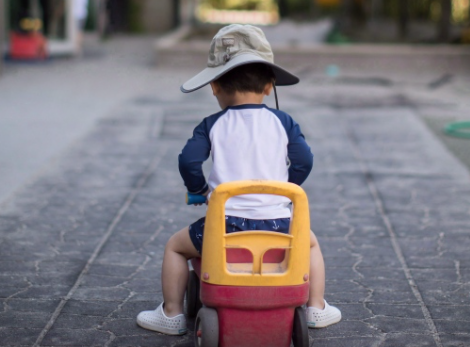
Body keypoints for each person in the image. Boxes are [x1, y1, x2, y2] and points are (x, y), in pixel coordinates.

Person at [136, 24, 342, 336]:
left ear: (214, 86)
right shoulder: (283, 122)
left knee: (176, 248)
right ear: (270, 86)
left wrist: (201, 190)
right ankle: (315, 307)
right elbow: (305, 160)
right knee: (311, 244)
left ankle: (172, 313)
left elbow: (189, 161)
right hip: (279, 226)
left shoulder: (211, 125)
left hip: (224, 226)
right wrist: (284, 189)